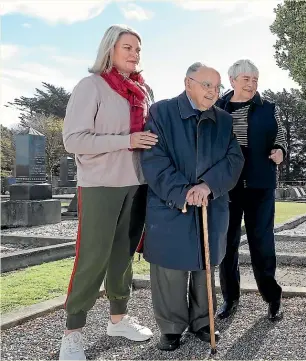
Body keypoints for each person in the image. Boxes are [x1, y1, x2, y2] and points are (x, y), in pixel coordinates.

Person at [59, 24, 157, 360]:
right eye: (127, 47)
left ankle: (118, 319)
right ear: (110, 50)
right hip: (100, 185)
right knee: (93, 257)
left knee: (123, 257)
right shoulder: (92, 87)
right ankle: (72, 333)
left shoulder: (143, 91)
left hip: (137, 184)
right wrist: (125, 141)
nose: (134, 54)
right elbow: (74, 140)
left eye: (138, 49)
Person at [140, 62, 244, 351]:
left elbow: (234, 159)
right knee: (170, 271)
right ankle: (171, 328)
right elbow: (154, 159)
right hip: (171, 205)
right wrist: (183, 192)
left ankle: (203, 321)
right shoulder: (161, 112)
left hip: (211, 204)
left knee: (205, 267)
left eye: (217, 86)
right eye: (206, 84)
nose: (213, 91)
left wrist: (208, 186)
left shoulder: (223, 120)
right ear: (188, 84)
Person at [216, 59, 287, 321]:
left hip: (260, 185)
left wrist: (280, 150)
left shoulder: (269, 107)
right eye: (246, 78)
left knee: (262, 243)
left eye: (255, 79)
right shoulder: (218, 107)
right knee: (227, 244)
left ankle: (272, 298)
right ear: (232, 80)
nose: (251, 83)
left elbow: (280, 136)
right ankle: (230, 298)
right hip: (227, 187)